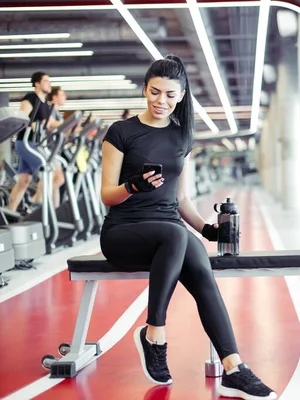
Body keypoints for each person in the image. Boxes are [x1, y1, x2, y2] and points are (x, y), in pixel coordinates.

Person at [99, 55, 277, 400]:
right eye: (154, 92)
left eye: (169, 94)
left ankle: (234, 367)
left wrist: (208, 230)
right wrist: (132, 187)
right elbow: (107, 196)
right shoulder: (120, 132)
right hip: (124, 231)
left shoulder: (182, 136)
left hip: (169, 232)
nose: (160, 101)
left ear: (181, 96)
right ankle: (155, 333)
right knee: (176, 234)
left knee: (200, 266)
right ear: (144, 90)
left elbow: (180, 199)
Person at [7, 72, 61, 212]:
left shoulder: (44, 104)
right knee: (49, 169)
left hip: (35, 143)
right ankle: (35, 202)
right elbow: (24, 120)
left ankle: (10, 212)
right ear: (37, 83)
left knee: (23, 181)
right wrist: (36, 125)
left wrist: (68, 124)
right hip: (25, 143)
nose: (49, 84)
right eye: (46, 81)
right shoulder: (30, 98)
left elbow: (48, 123)